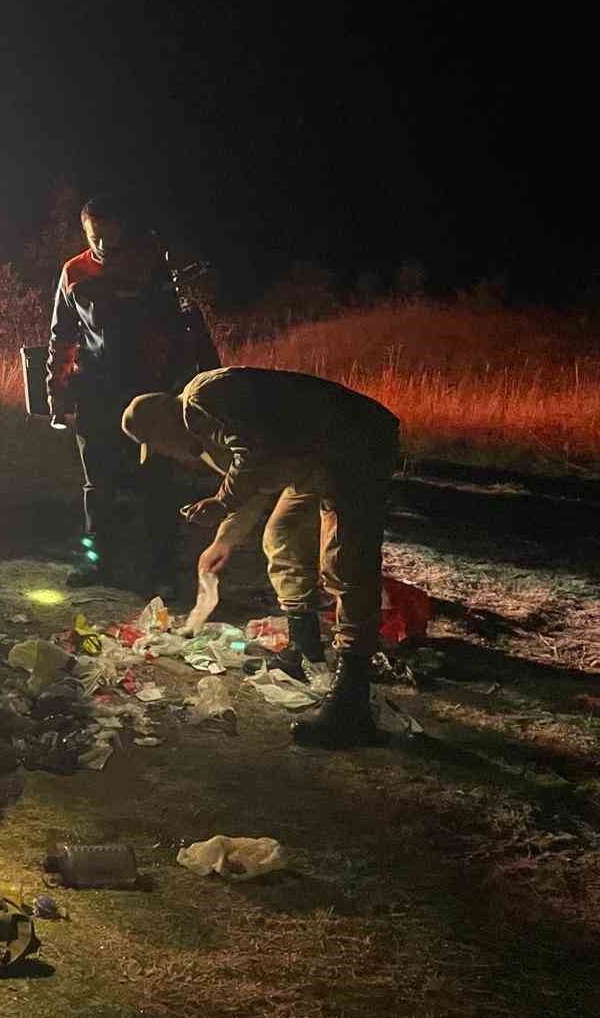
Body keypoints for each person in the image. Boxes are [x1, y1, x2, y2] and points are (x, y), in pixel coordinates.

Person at [120, 368, 401, 748]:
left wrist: (221, 501)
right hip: (314, 459)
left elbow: (253, 455)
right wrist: (221, 543)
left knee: (346, 562)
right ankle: (305, 646)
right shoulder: (206, 434)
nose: (171, 456)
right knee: (281, 534)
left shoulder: (203, 400)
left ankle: (351, 701)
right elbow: (251, 489)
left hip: (353, 444)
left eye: (160, 447)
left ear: (163, 429)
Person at [45, 194, 212, 592]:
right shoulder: (74, 272)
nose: (101, 243)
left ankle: (162, 570)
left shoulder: (152, 266)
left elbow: (181, 329)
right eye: (93, 235)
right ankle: (97, 562)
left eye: (108, 234)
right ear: (85, 231)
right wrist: (57, 392)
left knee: (157, 479)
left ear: (122, 227)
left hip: (149, 391)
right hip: (96, 391)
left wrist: (181, 386)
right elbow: (62, 336)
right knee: (97, 484)